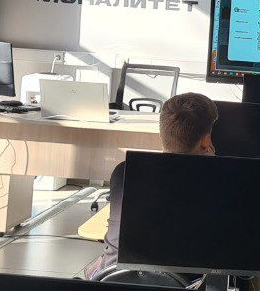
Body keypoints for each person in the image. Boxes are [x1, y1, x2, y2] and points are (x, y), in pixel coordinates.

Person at [85, 92, 218, 279]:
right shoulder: (214, 180)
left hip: (116, 279)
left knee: (94, 265)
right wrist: (213, 166)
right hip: (182, 284)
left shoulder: (124, 171)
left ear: (161, 134)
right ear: (206, 140)